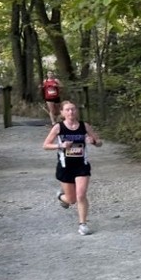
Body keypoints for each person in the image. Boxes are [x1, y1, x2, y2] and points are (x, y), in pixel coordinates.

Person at [43, 100, 102, 236]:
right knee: (72, 200)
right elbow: (45, 145)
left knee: (81, 195)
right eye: (68, 110)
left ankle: (83, 224)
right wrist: (61, 146)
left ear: (76, 111)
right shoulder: (58, 127)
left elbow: (99, 142)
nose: (71, 112)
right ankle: (61, 197)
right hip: (65, 166)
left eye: (73, 109)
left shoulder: (84, 126)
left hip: (82, 165)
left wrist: (93, 141)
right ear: (62, 113)